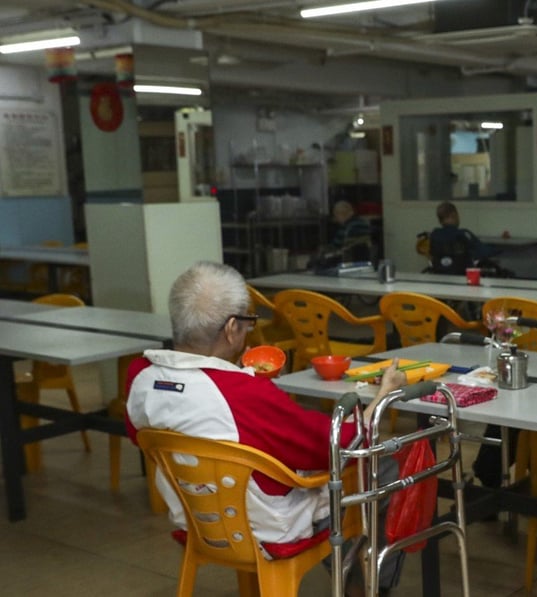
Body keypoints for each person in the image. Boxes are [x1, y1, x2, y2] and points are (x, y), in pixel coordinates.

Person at [124, 260, 406, 593]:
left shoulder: (140, 376)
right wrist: (384, 395)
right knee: (384, 467)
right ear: (231, 329)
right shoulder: (242, 395)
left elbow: (143, 434)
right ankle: (371, 587)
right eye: (247, 323)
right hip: (266, 528)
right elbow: (339, 444)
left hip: (198, 522)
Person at [428, 201, 497, 274]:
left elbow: (432, 254)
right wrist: (497, 250)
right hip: (462, 277)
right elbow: (483, 252)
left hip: (439, 277)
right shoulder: (464, 234)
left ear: (440, 220)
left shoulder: (434, 235)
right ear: (454, 215)